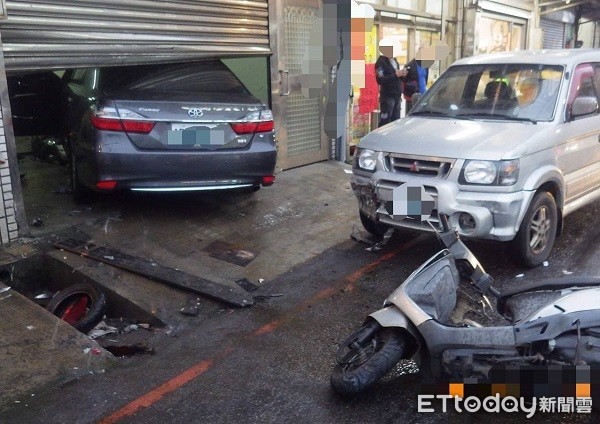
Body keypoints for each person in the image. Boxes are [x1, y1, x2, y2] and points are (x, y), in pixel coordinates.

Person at [375, 44, 407, 127]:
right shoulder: (380, 62)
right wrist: (396, 75)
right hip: (387, 96)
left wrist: (402, 75)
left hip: (397, 95)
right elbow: (380, 80)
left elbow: (397, 77)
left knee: (396, 122)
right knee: (385, 122)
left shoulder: (395, 61)